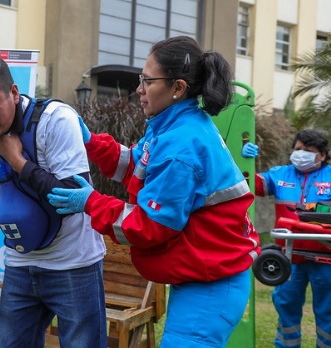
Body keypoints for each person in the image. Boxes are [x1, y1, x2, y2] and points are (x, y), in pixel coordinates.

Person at [47, 36, 261, 348]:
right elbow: (135, 166)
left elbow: (151, 227)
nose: (139, 89)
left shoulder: (181, 144)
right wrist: (91, 142)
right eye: (140, 79)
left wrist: (91, 202)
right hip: (205, 274)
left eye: (147, 81)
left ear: (177, 88)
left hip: (213, 283)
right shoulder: (172, 126)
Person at [0, 53, 107, 348]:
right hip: (20, 264)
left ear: (14, 93)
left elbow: (71, 198)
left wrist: (18, 162)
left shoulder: (55, 121)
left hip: (73, 264)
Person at [242, 129, 331, 348]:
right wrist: (243, 158)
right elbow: (249, 185)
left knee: (328, 313)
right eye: (298, 149)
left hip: (325, 259)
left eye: (308, 151)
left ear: (322, 155)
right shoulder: (279, 174)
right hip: (288, 258)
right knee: (286, 308)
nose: (301, 154)